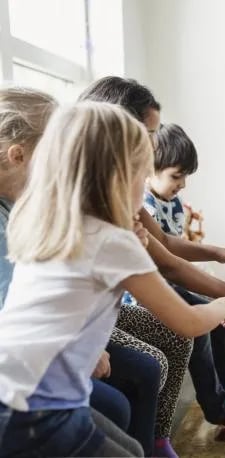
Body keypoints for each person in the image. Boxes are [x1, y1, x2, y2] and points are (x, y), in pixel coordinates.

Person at [0, 101, 225, 456]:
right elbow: (187, 322)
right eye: (141, 176)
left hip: (16, 395)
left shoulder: (47, 224)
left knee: (131, 449)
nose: (142, 192)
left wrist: (131, 243)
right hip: (38, 411)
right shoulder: (110, 242)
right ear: (117, 176)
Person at [79, 77, 225, 428]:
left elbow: (166, 246)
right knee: (181, 334)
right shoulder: (106, 198)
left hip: (96, 323)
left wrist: (220, 254)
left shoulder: (122, 190)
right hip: (86, 330)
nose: (155, 144)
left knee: (162, 355)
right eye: (150, 133)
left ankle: (164, 436)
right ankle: (208, 410)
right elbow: (167, 265)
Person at [0, 87, 165, 457]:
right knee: (126, 395)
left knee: (145, 375)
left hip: (58, 349)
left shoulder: (32, 206)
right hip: (26, 381)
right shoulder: (30, 212)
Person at [144, 123, 225, 423]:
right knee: (203, 317)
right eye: (175, 176)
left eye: (185, 177)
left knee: (220, 321)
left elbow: (174, 245)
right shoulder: (144, 205)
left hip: (168, 280)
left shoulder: (174, 202)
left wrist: (219, 253)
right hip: (147, 287)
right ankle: (215, 404)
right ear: (147, 170)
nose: (181, 184)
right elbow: (165, 259)